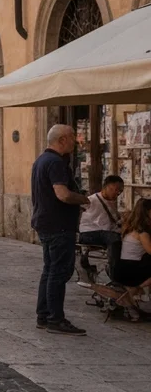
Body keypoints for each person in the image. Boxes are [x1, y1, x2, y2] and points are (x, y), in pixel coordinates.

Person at [31, 124, 90, 336]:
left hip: (45, 223)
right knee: (59, 271)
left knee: (49, 270)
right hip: (58, 225)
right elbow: (63, 194)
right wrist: (83, 199)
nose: (75, 141)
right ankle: (55, 318)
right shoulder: (55, 162)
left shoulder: (41, 160)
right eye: (72, 137)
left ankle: (44, 315)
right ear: (62, 140)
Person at [78, 175, 124, 282]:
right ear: (106, 187)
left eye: (120, 191)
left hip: (105, 233)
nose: (117, 193)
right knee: (114, 238)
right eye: (115, 189)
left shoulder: (111, 204)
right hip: (89, 233)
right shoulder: (91, 200)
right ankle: (114, 273)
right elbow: (79, 211)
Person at [115, 198, 151, 295]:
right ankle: (137, 289)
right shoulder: (142, 233)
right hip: (131, 270)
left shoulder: (131, 228)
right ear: (147, 213)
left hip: (124, 268)